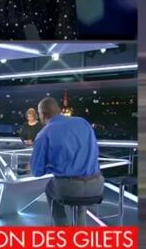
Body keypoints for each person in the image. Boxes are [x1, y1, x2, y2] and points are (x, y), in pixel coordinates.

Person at [32, 97, 105, 226]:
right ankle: (80, 235)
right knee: (79, 204)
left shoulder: (44, 134)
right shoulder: (82, 122)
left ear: (43, 114)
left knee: (51, 188)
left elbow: (37, 171)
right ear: (59, 110)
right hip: (97, 185)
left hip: (70, 188)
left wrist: (51, 166)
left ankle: (63, 229)